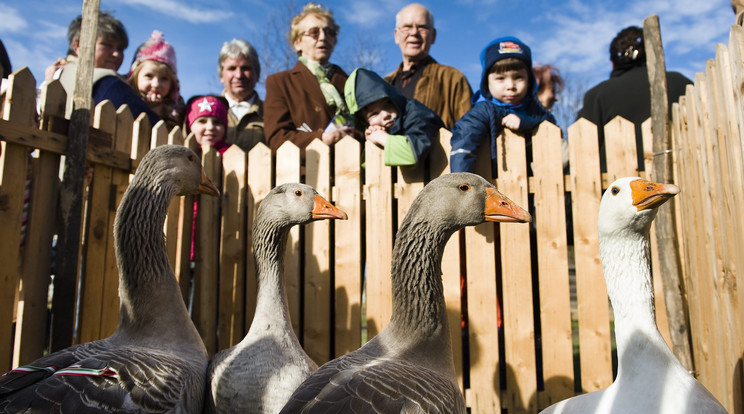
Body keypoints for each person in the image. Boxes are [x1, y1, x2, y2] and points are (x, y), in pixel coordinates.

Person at [577, 26, 692, 172]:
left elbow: (583, 155)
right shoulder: (683, 84)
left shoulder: (597, 96)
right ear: (653, 54)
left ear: (613, 63)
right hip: (689, 185)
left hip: (620, 189)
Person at [449, 36, 556, 175]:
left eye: (518, 77)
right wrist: (462, 185)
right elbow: (465, 139)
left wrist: (526, 123)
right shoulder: (484, 111)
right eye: (500, 78)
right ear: (487, 82)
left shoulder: (534, 110)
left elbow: (552, 129)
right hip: (493, 184)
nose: (510, 86)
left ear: (529, 81)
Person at [264, 2, 355, 151]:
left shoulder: (351, 82)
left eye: (329, 32)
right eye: (314, 32)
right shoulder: (280, 83)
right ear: (297, 42)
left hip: (350, 168)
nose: (323, 37)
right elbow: (277, 138)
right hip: (304, 171)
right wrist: (321, 139)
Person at [45, 11, 158, 125]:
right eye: (107, 45)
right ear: (79, 46)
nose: (116, 54)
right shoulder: (107, 83)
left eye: (120, 49)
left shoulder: (59, 75)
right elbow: (152, 127)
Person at [385, 3, 472, 130]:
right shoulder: (383, 84)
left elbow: (469, 130)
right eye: (407, 27)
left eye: (422, 27)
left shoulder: (452, 79)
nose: (414, 32)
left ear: (433, 35)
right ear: (396, 35)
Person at [344, 67, 443, 167]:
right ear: (364, 122)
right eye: (374, 114)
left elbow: (413, 153)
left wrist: (382, 137)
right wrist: (372, 142)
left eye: (387, 105)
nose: (385, 114)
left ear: (395, 99)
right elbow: (369, 174)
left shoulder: (417, 114)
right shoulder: (379, 132)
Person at [128, 30, 182, 130]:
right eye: (149, 76)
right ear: (135, 76)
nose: (156, 84)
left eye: (164, 79)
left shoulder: (177, 111)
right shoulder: (124, 98)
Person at [218, 39, 265, 152]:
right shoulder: (204, 112)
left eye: (246, 68)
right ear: (221, 75)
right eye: (232, 68)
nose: (239, 75)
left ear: (257, 74)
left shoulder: (272, 113)